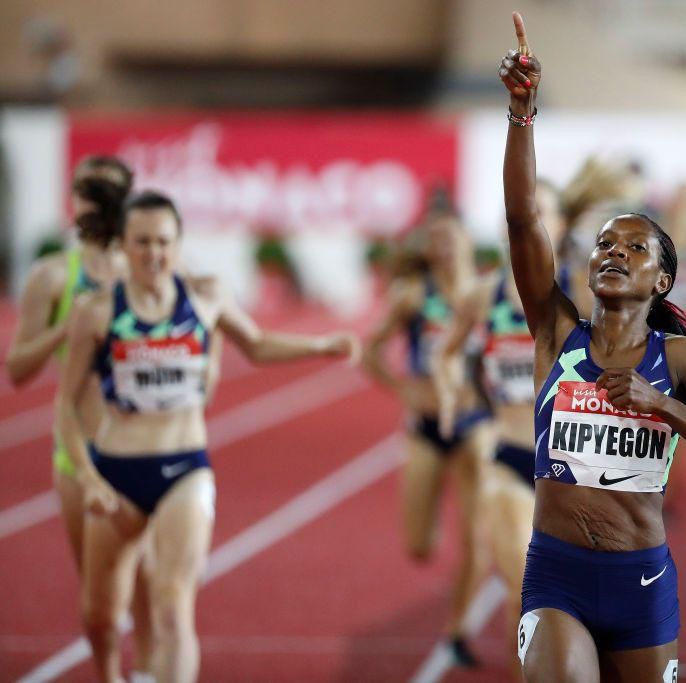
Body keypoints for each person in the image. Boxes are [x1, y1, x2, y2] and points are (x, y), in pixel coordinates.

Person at [500, 14, 686, 681]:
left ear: (662, 278)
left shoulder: (681, 363)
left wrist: (666, 408)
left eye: (635, 247)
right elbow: (521, 220)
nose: (614, 252)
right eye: (603, 243)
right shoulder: (556, 329)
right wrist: (522, 117)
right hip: (557, 575)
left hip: (642, 583)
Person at [57, 190, 358, 683]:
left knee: (174, 606)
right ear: (124, 246)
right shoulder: (97, 313)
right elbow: (67, 406)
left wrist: (322, 345)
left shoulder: (204, 295)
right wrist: (88, 478)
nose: (153, 254)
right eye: (141, 243)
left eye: (163, 242)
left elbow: (256, 344)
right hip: (115, 473)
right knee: (100, 617)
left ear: (178, 244)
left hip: (183, 469)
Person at [4, 156, 180, 679]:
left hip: (142, 445)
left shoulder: (146, 269)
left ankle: (149, 671)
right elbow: (17, 370)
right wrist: (72, 328)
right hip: (79, 452)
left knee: (149, 580)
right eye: (85, 191)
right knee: (101, 604)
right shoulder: (54, 275)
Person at [435, 205, 565, 677]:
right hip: (509, 453)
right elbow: (447, 354)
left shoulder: (578, 298)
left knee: (578, 607)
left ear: (562, 227)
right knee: (524, 595)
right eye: (520, 222)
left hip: (572, 469)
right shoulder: (482, 296)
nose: (530, 229)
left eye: (544, 216)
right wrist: (454, 397)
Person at [363, 211, 493, 666]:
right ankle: (434, 510)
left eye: (451, 238)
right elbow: (370, 350)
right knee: (419, 546)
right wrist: (402, 389)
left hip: (477, 423)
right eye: (435, 240)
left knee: (476, 540)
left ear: (467, 242)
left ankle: (457, 628)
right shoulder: (413, 296)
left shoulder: (487, 295)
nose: (444, 247)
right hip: (425, 427)